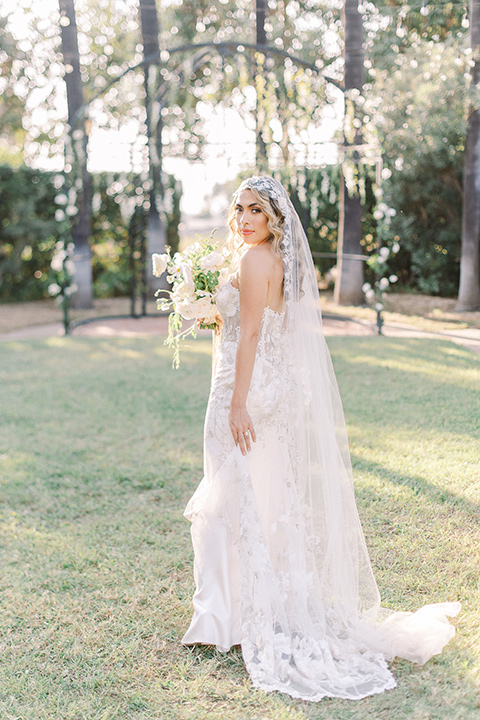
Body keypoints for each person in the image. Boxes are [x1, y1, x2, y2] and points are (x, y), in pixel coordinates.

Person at [181, 175, 460, 701]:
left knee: (228, 496)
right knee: (259, 494)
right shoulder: (274, 262)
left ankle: (224, 618)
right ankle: (252, 608)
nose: (244, 219)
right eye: (239, 209)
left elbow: (253, 337)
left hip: (242, 391)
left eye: (256, 211)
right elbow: (246, 324)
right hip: (268, 388)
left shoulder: (251, 260)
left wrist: (238, 401)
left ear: (274, 219)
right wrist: (212, 314)